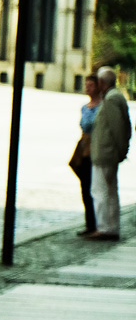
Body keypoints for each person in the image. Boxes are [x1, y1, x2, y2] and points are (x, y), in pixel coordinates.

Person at [86, 66, 130, 241]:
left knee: (101, 191)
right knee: (109, 191)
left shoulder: (111, 99)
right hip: (108, 152)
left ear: (103, 82)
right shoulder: (113, 97)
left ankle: (105, 227)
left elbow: (117, 128)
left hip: (106, 153)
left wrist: (120, 151)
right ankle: (110, 227)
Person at [70, 73, 101, 236]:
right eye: (86, 84)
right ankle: (89, 223)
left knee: (93, 186)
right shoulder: (84, 107)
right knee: (84, 187)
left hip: (95, 148)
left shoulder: (101, 107)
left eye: (91, 85)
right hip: (83, 148)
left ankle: (97, 223)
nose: (87, 88)